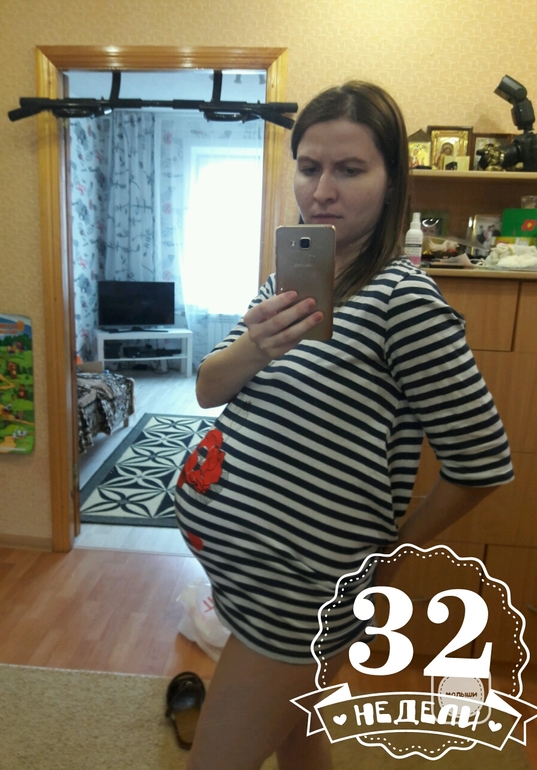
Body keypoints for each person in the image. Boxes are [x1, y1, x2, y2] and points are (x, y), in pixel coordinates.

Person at [174, 81, 514, 770]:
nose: (322, 190)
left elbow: (481, 463)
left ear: (392, 183)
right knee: (298, 735)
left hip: (298, 594)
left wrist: (389, 553)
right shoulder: (292, 281)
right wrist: (256, 344)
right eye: (309, 167)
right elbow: (208, 388)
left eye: (350, 170)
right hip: (250, 575)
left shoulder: (403, 301)